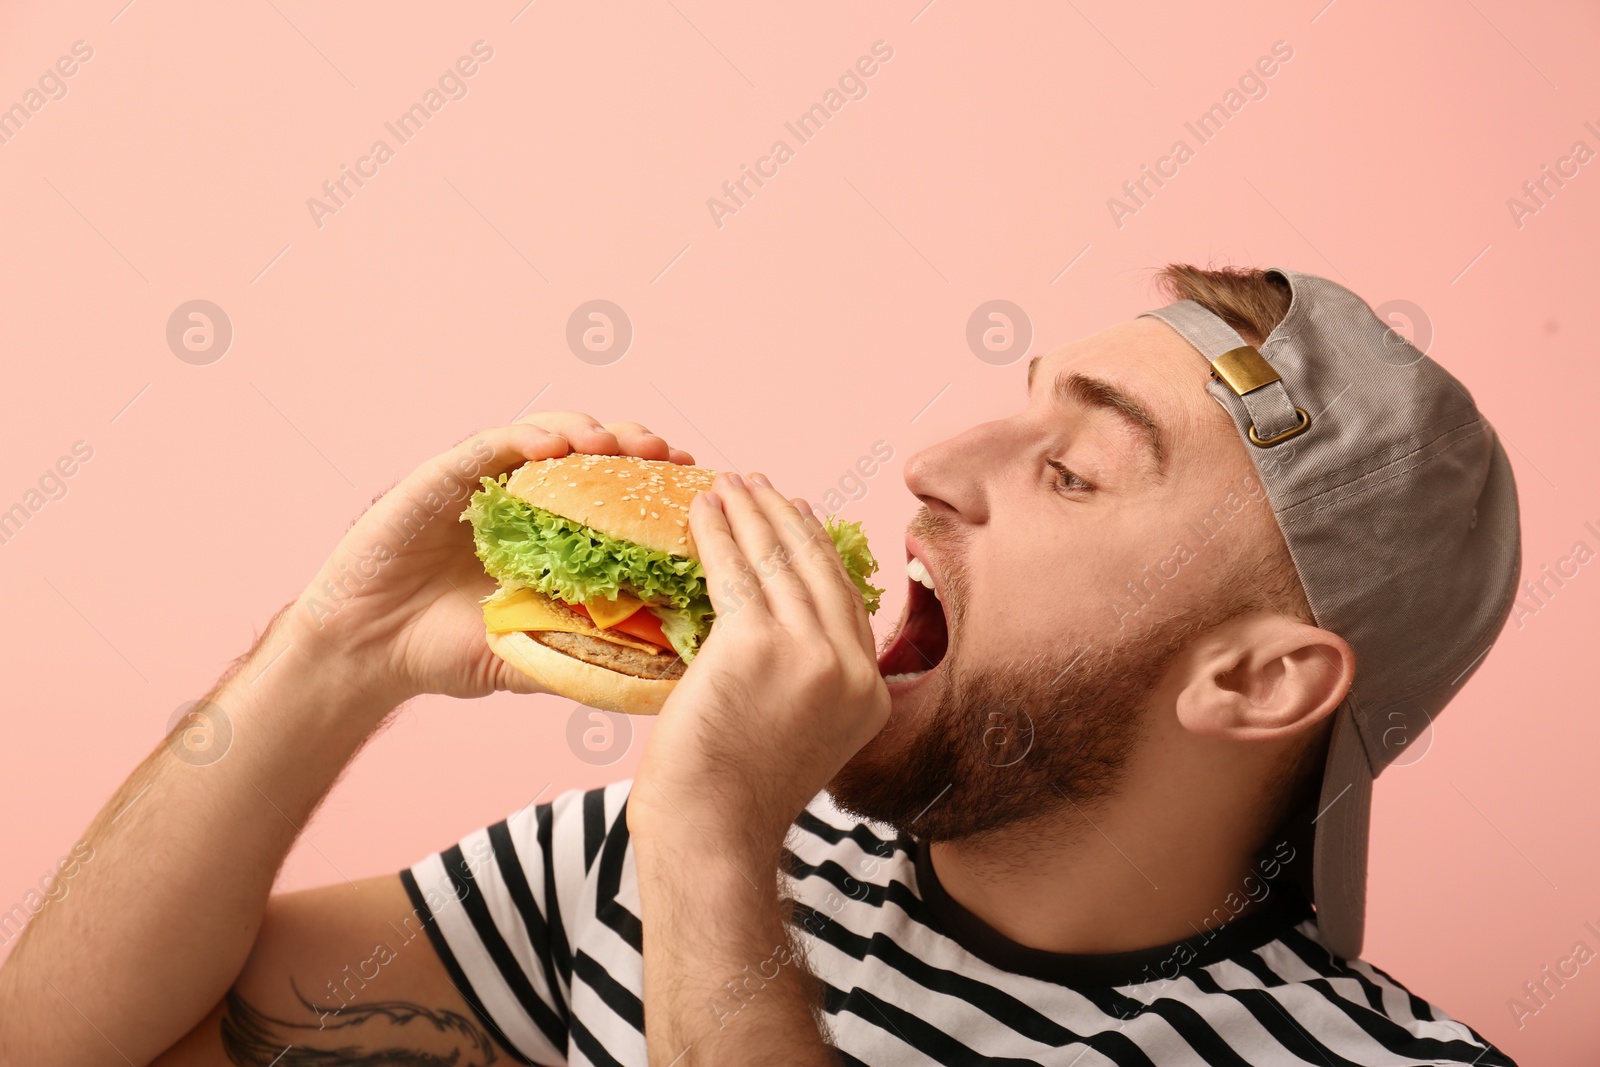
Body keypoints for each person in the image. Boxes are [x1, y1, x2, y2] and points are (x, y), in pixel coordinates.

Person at [0, 265, 1520, 1066]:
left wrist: (713, 837)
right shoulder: (650, 867)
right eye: (1015, 406)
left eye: (1074, 472)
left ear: (1255, 683)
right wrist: (336, 651)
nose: (932, 466)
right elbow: (62, 1047)